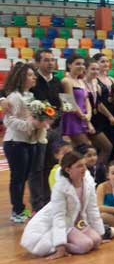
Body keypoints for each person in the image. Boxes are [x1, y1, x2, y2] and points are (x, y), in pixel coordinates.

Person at [21, 151, 104, 258]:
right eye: (79, 166)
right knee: (86, 245)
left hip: (78, 222)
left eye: (84, 165)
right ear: (68, 170)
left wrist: (99, 232)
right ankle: (60, 246)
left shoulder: (88, 182)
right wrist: (60, 245)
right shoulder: (60, 188)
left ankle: (78, 239)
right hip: (65, 224)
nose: (83, 169)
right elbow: (59, 217)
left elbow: (92, 208)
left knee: (97, 241)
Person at [3, 63, 50, 222]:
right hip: (16, 142)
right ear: (22, 77)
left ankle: (21, 209)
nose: (34, 77)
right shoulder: (15, 97)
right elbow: (9, 120)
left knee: (24, 177)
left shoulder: (30, 96)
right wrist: (30, 125)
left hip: (30, 142)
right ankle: (17, 211)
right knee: (18, 177)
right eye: (30, 75)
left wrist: (43, 122)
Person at [31, 49, 64, 200]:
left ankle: (49, 198)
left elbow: (67, 104)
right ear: (37, 62)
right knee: (37, 168)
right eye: (46, 60)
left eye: (52, 60)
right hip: (37, 131)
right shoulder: (32, 80)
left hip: (56, 129)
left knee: (52, 165)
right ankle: (38, 202)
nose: (50, 63)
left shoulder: (58, 81)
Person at [61, 54, 94, 146]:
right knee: (85, 148)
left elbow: (86, 100)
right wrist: (83, 117)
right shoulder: (66, 81)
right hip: (72, 119)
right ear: (69, 65)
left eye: (83, 64)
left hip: (82, 118)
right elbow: (69, 103)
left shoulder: (81, 81)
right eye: (78, 64)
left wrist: (89, 115)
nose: (81, 66)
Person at [94, 53, 114, 152]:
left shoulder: (112, 80)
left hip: (113, 116)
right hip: (101, 116)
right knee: (103, 146)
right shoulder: (95, 80)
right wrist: (110, 117)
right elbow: (98, 102)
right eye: (102, 61)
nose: (105, 64)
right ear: (96, 63)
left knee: (113, 143)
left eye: (107, 61)